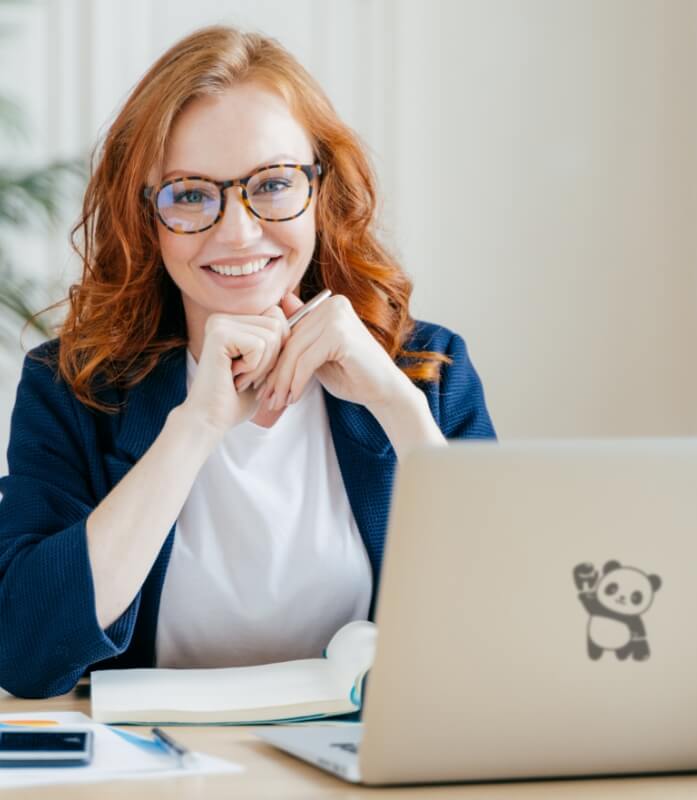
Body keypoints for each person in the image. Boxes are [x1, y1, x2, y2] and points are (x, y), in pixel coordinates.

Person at [0, 25, 495, 699]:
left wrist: (397, 407)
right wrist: (193, 428)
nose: (238, 231)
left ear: (321, 188)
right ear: (144, 217)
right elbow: (26, 653)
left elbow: (509, 622)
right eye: (190, 194)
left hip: (359, 767)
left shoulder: (425, 369)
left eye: (272, 184)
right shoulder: (71, 387)